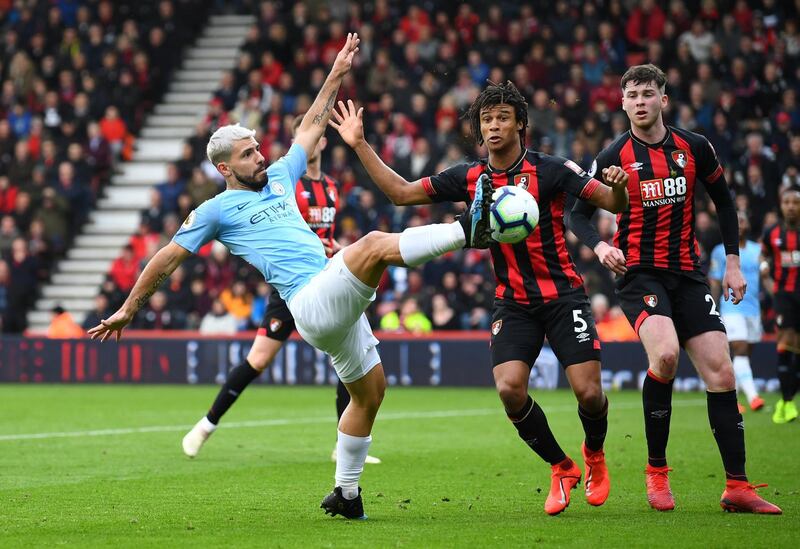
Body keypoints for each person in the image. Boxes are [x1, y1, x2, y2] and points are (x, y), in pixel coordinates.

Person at [89, 33, 492, 520]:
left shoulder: (281, 174)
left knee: (371, 393)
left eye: (257, 148)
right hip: (309, 302)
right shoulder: (215, 210)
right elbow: (166, 259)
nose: (259, 156)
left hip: (332, 298)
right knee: (370, 245)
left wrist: (337, 71)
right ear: (224, 168)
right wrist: (129, 308)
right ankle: (468, 229)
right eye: (247, 154)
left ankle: (346, 494)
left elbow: (310, 124)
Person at [328, 81, 630, 516]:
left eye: (503, 118)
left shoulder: (552, 170)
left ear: (521, 124)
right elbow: (401, 193)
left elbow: (612, 204)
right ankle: (561, 467)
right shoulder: (470, 176)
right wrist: (359, 144)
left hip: (563, 295)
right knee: (509, 390)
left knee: (589, 395)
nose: (494, 126)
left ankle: (595, 455)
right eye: (487, 119)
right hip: (513, 301)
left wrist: (618, 186)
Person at [569, 64, 781, 514]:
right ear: (623, 103)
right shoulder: (612, 155)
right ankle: (657, 473)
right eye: (633, 95)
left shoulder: (694, 147)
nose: (641, 101)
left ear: (664, 99)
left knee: (722, 373)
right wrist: (601, 246)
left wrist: (735, 265)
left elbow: (723, 201)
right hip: (638, 274)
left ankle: (738, 487)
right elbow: (576, 214)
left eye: (649, 93)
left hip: (687, 273)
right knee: (664, 355)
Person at [182, 114, 381, 465]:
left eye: (318, 136)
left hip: (326, 278)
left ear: (324, 141)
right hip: (291, 288)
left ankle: (342, 444)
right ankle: (206, 424)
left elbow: (322, 235)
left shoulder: (331, 188)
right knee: (258, 359)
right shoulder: (280, 183)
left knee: (345, 358)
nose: (314, 140)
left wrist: (332, 248)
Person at [708, 212, 765, 413]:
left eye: (742, 220)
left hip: (753, 308)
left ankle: (733, 400)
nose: (739, 224)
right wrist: (713, 306)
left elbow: (765, 276)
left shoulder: (758, 250)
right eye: (736, 221)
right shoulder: (719, 251)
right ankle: (754, 397)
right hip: (731, 306)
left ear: (748, 225)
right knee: (739, 348)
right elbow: (715, 281)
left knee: (745, 354)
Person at [762, 186, 800, 424]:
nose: (790, 207)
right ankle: (786, 403)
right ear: (781, 204)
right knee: (785, 343)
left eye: (795, 202)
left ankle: (786, 401)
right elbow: (764, 258)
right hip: (784, 297)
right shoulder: (771, 232)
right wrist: (770, 285)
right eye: (787, 202)